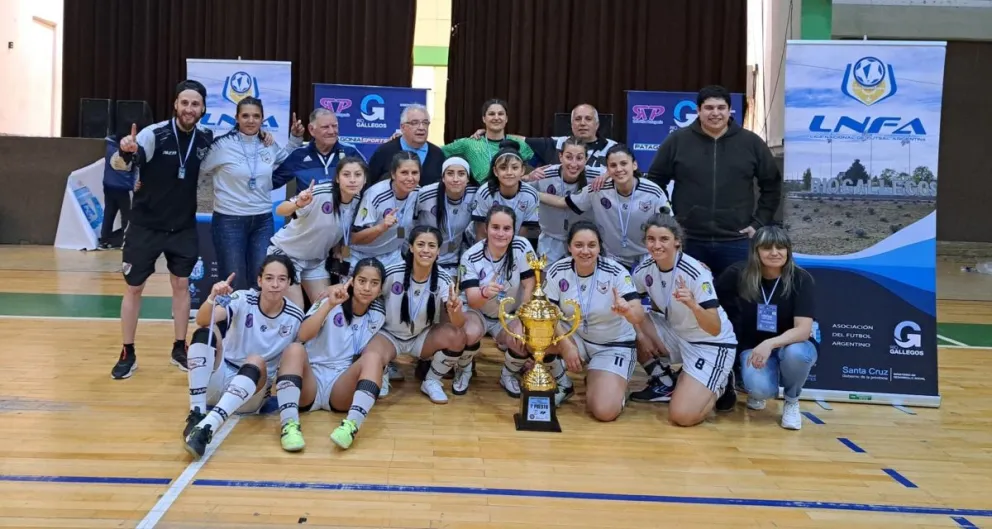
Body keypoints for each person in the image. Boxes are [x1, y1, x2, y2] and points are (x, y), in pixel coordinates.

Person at [109, 80, 216, 380]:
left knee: (181, 286)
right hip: (145, 225)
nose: (189, 109)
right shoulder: (153, 134)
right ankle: (127, 351)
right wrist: (124, 151)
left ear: (203, 108)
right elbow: (121, 164)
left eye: (195, 104)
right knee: (134, 288)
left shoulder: (206, 138)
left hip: (182, 226)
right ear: (175, 105)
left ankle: (179, 347)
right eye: (184, 103)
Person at [645, 85, 783, 281]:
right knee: (688, 303)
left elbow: (772, 185)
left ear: (729, 110)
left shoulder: (751, 143)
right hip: (688, 240)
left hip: (737, 241)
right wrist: (668, 220)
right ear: (698, 111)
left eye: (721, 107)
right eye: (709, 108)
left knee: (737, 303)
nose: (715, 113)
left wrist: (758, 222)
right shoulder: (676, 141)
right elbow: (654, 183)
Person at [182, 254, 306, 458]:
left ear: (289, 283)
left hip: (252, 393)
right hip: (220, 377)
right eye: (269, 278)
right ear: (259, 280)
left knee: (256, 359)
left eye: (282, 279)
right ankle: (196, 413)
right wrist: (212, 298)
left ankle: (208, 427)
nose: (275, 284)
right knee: (207, 332)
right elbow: (203, 320)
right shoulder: (242, 298)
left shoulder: (295, 316)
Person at [630, 215, 738, 427]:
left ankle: (722, 382)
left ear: (677, 241)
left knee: (682, 416)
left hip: (710, 343)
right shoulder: (645, 270)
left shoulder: (696, 272)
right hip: (677, 334)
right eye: (651, 239)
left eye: (664, 239)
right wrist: (641, 335)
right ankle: (663, 380)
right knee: (626, 317)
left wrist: (693, 305)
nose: (656, 245)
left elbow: (714, 328)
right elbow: (630, 303)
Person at [274, 258, 387, 452]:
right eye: (362, 281)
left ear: (380, 288)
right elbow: (303, 334)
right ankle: (289, 425)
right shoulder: (331, 299)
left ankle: (351, 426)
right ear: (352, 281)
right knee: (294, 349)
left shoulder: (378, 314)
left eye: (374, 283)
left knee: (374, 358)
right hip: (310, 380)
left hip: (340, 386)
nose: (367, 288)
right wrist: (329, 305)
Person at [716, 226, 817, 430]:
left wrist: (770, 344)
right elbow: (711, 299)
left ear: (788, 251)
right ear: (756, 251)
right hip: (752, 346)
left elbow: (803, 330)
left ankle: (791, 401)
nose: (774, 253)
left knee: (797, 354)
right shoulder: (739, 274)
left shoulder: (801, 278)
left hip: (792, 344)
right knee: (760, 389)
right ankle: (757, 389)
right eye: (767, 248)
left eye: (780, 247)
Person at [542, 222, 646, 420]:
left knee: (604, 412)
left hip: (612, 345)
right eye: (579, 245)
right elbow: (549, 311)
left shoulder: (615, 272)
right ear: (569, 247)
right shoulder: (558, 271)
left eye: (592, 245)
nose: (585, 251)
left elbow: (638, 314)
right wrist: (565, 344)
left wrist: (627, 311)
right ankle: (563, 384)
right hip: (577, 337)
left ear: (600, 247)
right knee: (532, 335)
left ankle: (611, 386)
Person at [202, 98, 305, 292]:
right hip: (228, 220)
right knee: (233, 278)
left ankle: (254, 322)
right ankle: (229, 323)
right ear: (237, 118)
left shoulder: (267, 143)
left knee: (261, 277)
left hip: (262, 220)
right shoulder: (221, 145)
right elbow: (197, 170)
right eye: (245, 116)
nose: (251, 120)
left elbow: (286, 162)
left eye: (256, 116)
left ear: (262, 119)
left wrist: (295, 140)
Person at [362, 226, 467, 400]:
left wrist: (455, 310)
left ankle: (432, 381)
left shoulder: (444, 279)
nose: (426, 250)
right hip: (389, 336)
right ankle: (383, 370)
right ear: (411, 247)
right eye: (421, 244)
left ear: (438, 251)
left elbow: (458, 323)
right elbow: (365, 295)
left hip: (421, 337)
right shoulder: (391, 272)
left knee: (457, 336)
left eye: (432, 246)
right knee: (367, 343)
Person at [543, 146, 671, 270]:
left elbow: (670, 227)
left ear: (634, 165)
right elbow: (563, 202)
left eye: (623, 163)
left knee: (649, 289)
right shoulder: (598, 189)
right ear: (608, 170)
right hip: (614, 255)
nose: (619, 169)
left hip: (646, 253)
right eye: (613, 165)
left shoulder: (653, 192)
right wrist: (530, 191)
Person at [458, 205, 537, 397]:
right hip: (479, 312)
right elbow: (473, 301)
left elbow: (529, 285)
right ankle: (465, 369)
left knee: (524, 336)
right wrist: (484, 292)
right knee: (468, 333)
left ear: (514, 230)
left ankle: (507, 375)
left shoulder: (522, 246)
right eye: (495, 227)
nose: (501, 233)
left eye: (507, 228)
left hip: (510, 314)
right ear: (486, 228)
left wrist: (522, 317)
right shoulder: (470, 256)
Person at [267, 157, 368, 307]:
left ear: (365, 179)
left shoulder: (360, 200)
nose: (352, 180)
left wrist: (340, 251)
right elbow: (280, 209)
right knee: (296, 311)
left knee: (326, 310)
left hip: (315, 261)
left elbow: (340, 231)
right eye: (346, 175)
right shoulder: (321, 192)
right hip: (286, 255)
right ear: (338, 179)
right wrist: (298, 203)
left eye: (358, 175)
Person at [529, 137, 601, 263]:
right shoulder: (545, 174)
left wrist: (606, 176)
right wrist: (527, 177)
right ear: (560, 157)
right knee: (546, 281)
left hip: (583, 241)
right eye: (569, 157)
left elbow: (618, 171)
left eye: (579, 158)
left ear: (587, 159)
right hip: (550, 240)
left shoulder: (596, 177)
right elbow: (519, 188)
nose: (573, 164)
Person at [349, 152, 422, 269]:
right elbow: (354, 238)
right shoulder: (375, 195)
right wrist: (381, 227)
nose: (410, 178)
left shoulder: (418, 193)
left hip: (392, 256)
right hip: (362, 256)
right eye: (404, 173)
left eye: (415, 173)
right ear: (393, 174)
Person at [443, 99, 535, 183]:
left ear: (506, 119)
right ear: (484, 118)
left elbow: (534, 168)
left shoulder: (518, 144)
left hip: (512, 198)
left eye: (500, 114)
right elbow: (437, 153)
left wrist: (526, 176)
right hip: (482, 197)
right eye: (491, 114)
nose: (496, 117)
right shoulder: (469, 143)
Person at [272, 108, 365, 190]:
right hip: (307, 209)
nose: (331, 131)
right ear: (311, 130)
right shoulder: (299, 155)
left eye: (334, 126)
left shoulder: (350, 152)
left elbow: (368, 181)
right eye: (325, 127)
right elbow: (272, 183)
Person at [415, 157, 477, 276]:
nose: (455, 179)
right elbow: (409, 224)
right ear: (443, 177)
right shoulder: (425, 194)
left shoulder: (475, 194)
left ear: (468, 178)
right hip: (424, 256)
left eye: (461, 174)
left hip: (453, 260)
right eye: (450, 173)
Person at [470, 141, 540, 241]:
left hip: (513, 241)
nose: (509, 173)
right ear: (495, 171)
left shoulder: (531, 195)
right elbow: (481, 235)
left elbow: (521, 237)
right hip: (486, 242)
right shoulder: (485, 193)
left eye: (515, 167)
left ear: (522, 170)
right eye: (503, 168)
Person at [368, 104, 446, 188]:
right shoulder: (384, 152)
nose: (421, 127)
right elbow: (369, 184)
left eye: (425, 123)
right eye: (414, 123)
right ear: (402, 127)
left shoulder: (438, 154)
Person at [99, 128, 139, 249]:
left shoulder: (109, 146)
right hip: (123, 187)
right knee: (126, 215)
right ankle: (125, 241)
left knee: (108, 213)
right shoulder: (131, 150)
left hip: (108, 186)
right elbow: (134, 166)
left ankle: (104, 241)